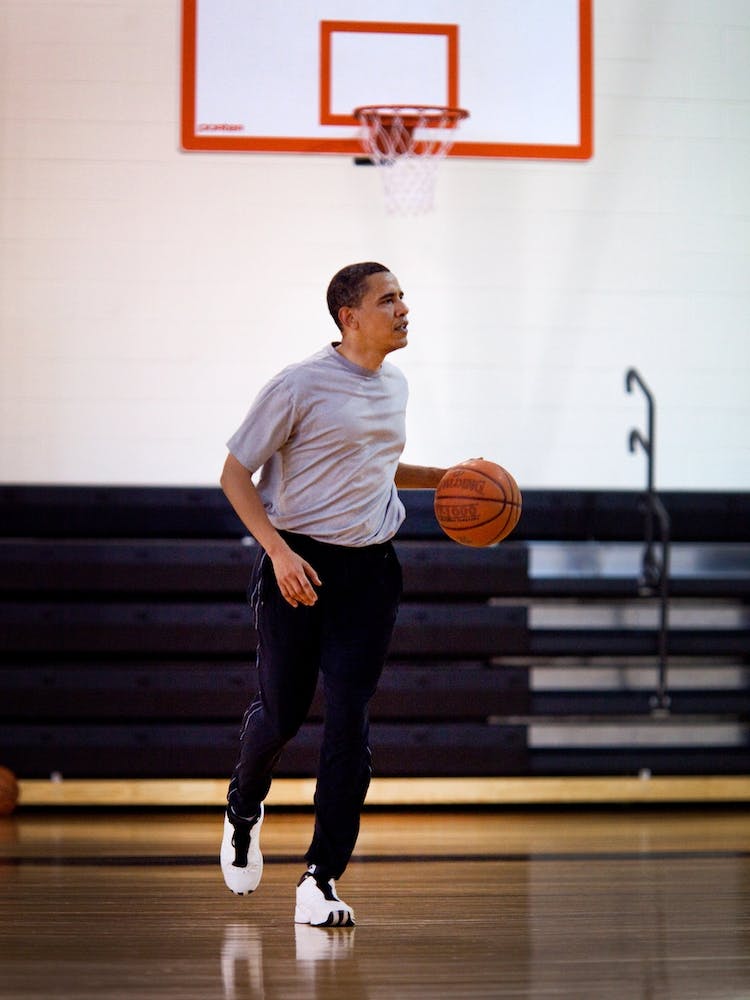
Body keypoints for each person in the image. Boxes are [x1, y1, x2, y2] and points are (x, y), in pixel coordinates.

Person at [219, 261, 450, 927]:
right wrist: (278, 551)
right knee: (284, 715)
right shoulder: (298, 384)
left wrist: (450, 478)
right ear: (350, 316)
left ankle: (320, 878)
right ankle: (244, 802)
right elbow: (236, 473)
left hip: (370, 573)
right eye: (389, 299)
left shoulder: (395, 385)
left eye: (404, 295)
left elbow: (375, 463)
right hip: (298, 565)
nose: (403, 307)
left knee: (350, 719)